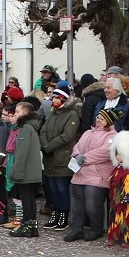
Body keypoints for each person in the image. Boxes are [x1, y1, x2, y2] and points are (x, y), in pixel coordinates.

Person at [64, 107, 118, 242]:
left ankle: (96, 229)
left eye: (101, 118)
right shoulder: (88, 132)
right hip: (80, 173)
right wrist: (76, 155)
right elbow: (77, 145)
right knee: (76, 204)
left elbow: (105, 152)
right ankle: (76, 229)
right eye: (98, 117)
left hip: (97, 175)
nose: (98, 119)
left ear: (108, 121)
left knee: (92, 204)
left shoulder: (112, 136)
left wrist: (84, 158)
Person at [39, 87, 81, 232]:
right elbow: (43, 130)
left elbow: (67, 136)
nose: (54, 100)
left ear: (63, 99)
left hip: (62, 158)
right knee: (52, 189)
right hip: (49, 158)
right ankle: (55, 213)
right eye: (53, 97)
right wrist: (44, 145)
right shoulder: (52, 113)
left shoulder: (71, 115)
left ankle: (63, 215)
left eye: (57, 97)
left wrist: (49, 146)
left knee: (61, 188)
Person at [7, 98, 43, 237]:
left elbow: (22, 153)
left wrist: (17, 172)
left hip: (26, 171)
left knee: (27, 199)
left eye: (17, 111)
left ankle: (28, 226)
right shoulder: (29, 127)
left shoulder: (26, 128)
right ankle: (31, 227)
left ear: (25, 113)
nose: (15, 114)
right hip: (30, 170)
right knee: (29, 199)